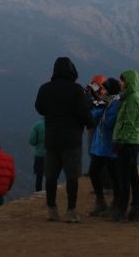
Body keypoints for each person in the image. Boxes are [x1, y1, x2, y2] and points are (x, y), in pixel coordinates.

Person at [35, 57, 95, 223]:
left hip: (52, 139)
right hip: (72, 141)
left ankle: (52, 211)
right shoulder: (76, 90)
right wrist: (90, 123)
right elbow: (84, 112)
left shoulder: (45, 89)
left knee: (51, 177)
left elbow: (39, 108)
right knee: (72, 177)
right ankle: (71, 211)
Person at [112, 70, 139, 221]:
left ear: (129, 82)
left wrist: (120, 141)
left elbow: (129, 123)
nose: (120, 83)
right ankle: (135, 209)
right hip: (130, 142)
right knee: (132, 176)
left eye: (123, 80)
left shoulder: (132, 99)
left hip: (128, 143)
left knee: (124, 177)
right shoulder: (128, 98)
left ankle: (122, 211)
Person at [88, 78, 121, 217]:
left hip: (108, 146)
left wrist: (99, 108)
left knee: (114, 175)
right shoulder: (106, 103)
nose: (102, 92)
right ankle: (101, 202)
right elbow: (92, 120)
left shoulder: (115, 103)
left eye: (105, 89)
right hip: (100, 145)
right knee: (93, 172)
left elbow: (108, 124)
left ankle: (116, 203)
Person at [28, 118, 46, 192]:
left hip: (39, 154)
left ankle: (38, 192)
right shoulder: (54, 123)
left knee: (39, 176)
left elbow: (32, 141)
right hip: (52, 154)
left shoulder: (37, 125)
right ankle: (50, 192)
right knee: (50, 176)